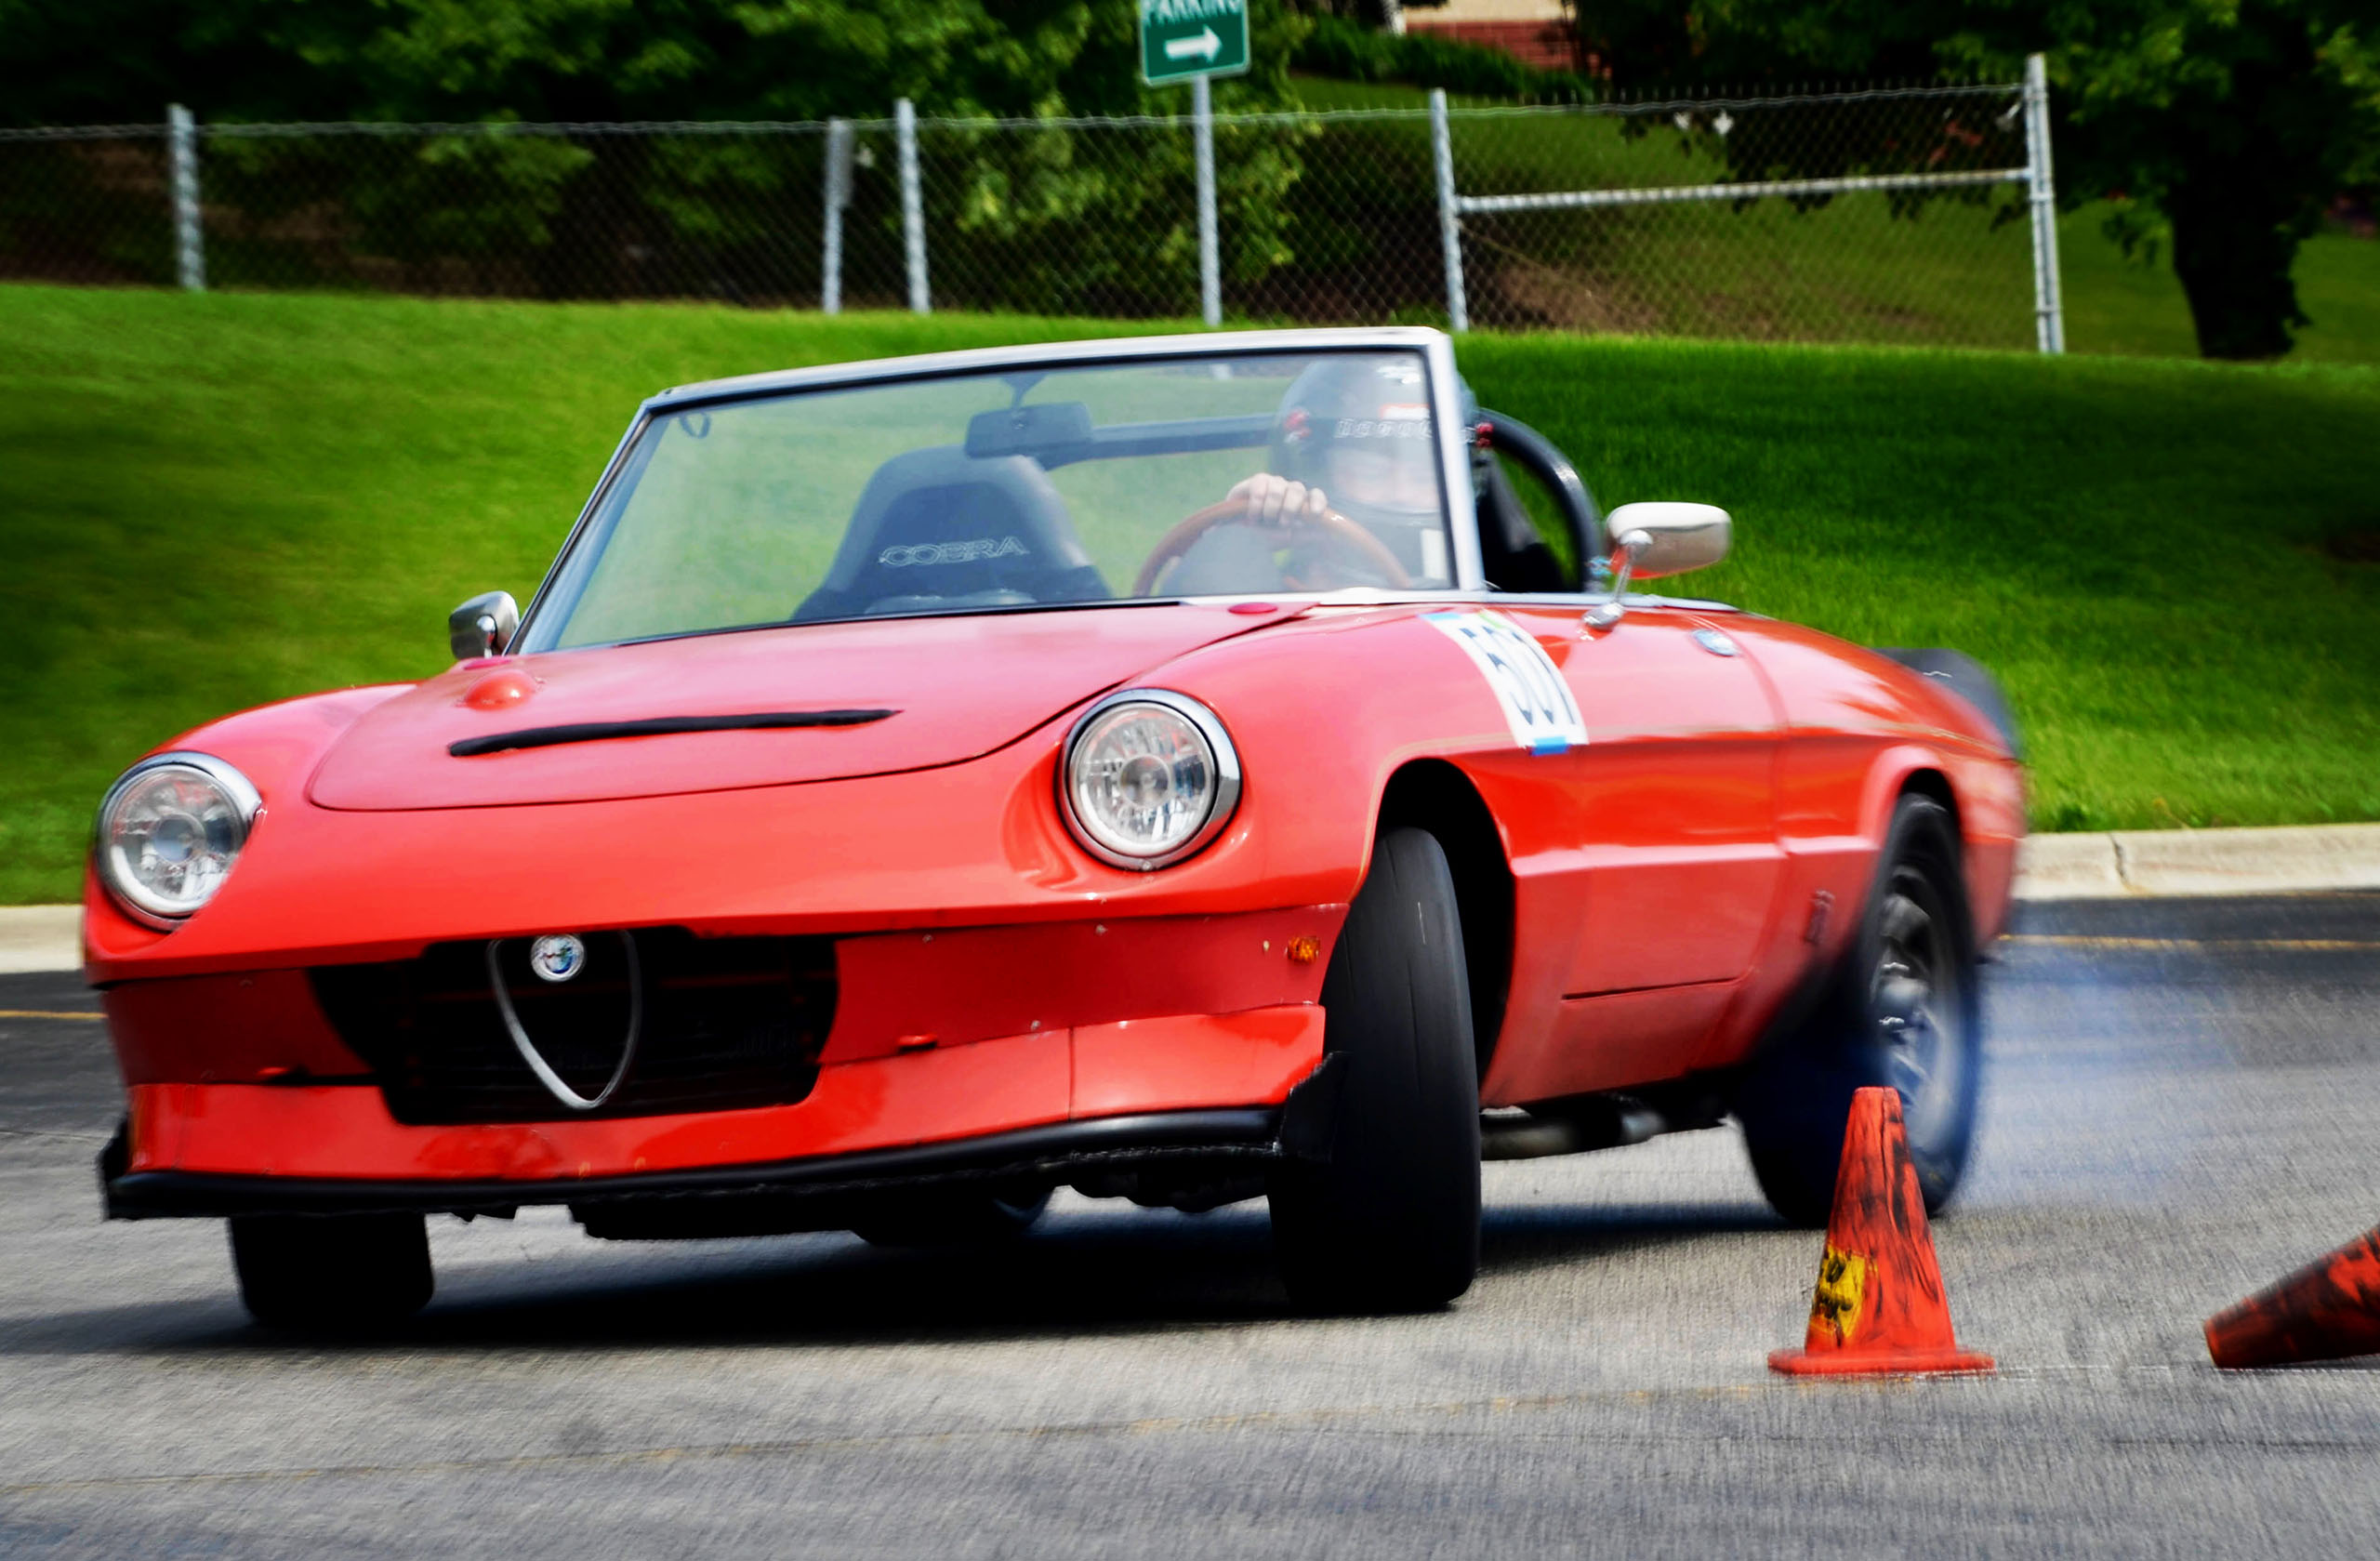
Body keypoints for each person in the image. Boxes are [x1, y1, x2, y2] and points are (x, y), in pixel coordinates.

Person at [1168, 355, 1455, 593]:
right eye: (1371, 474)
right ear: (1317, 476)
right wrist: (1232, 538)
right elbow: (1181, 625)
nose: (1402, 493)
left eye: (1425, 478)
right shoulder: (1263, 596)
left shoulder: (1474, 587)